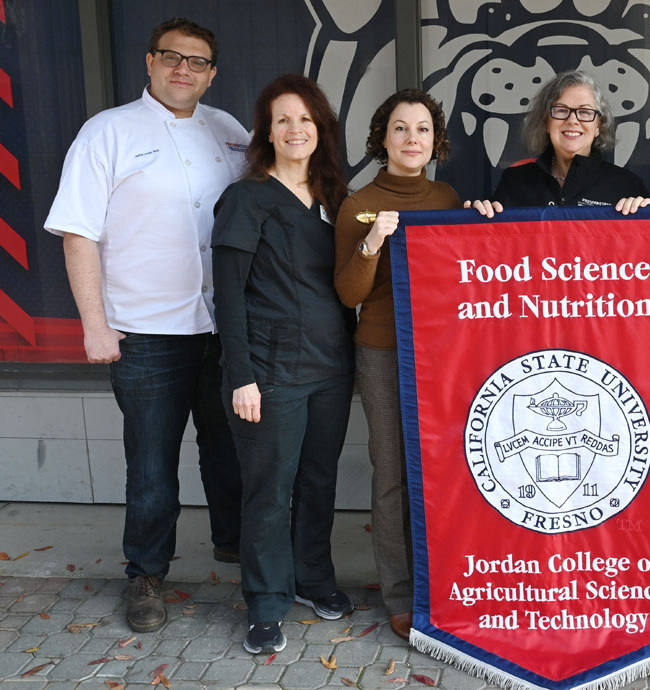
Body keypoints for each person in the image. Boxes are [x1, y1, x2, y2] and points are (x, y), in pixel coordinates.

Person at [43, 17, 245, 633]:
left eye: (198, 61)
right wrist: (94, 326)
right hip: (144, 332)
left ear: (213, 73)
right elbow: (78, 232)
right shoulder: (106, 132)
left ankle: (235, 546)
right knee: (152, 463)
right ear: (149, 63)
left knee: (230, 451)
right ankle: (147, 572)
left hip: (223, 327)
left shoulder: (232, 131)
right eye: (171, 57)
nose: (184, 69)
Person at [212, 73, 356, 655]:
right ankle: (266, 601)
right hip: (269, 375)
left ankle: (312, 579)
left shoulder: (335, 200)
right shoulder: (247, 198)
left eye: (306, 119)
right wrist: (241, 375)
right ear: (266, 132)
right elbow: (227, 295)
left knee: (319, 482)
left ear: (321, 128)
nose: (296, 129)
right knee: (270, 490)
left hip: (330, 369)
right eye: (283, 120)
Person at [333, 89, 462, 641]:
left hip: (444, 354)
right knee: (392, 475)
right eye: (402, 129)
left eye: (424, 129)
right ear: (382, 137)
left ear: (436, 140)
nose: (413, 139)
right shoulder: (357, 202)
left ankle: (447, 583)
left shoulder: (450, 196)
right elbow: (347, 294)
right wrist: (373, 241)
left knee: (444, 470)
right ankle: (402, 594)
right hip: (384, 351)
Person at [464, 70, 650, 215]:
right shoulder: (514, 181)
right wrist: (476, 222)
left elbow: (649, 255)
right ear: (546, 122)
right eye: (561, 110)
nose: (572, 120)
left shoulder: (627, 186)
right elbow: (495, 252)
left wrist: (646, 218)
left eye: (585, 112)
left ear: (598, 126)